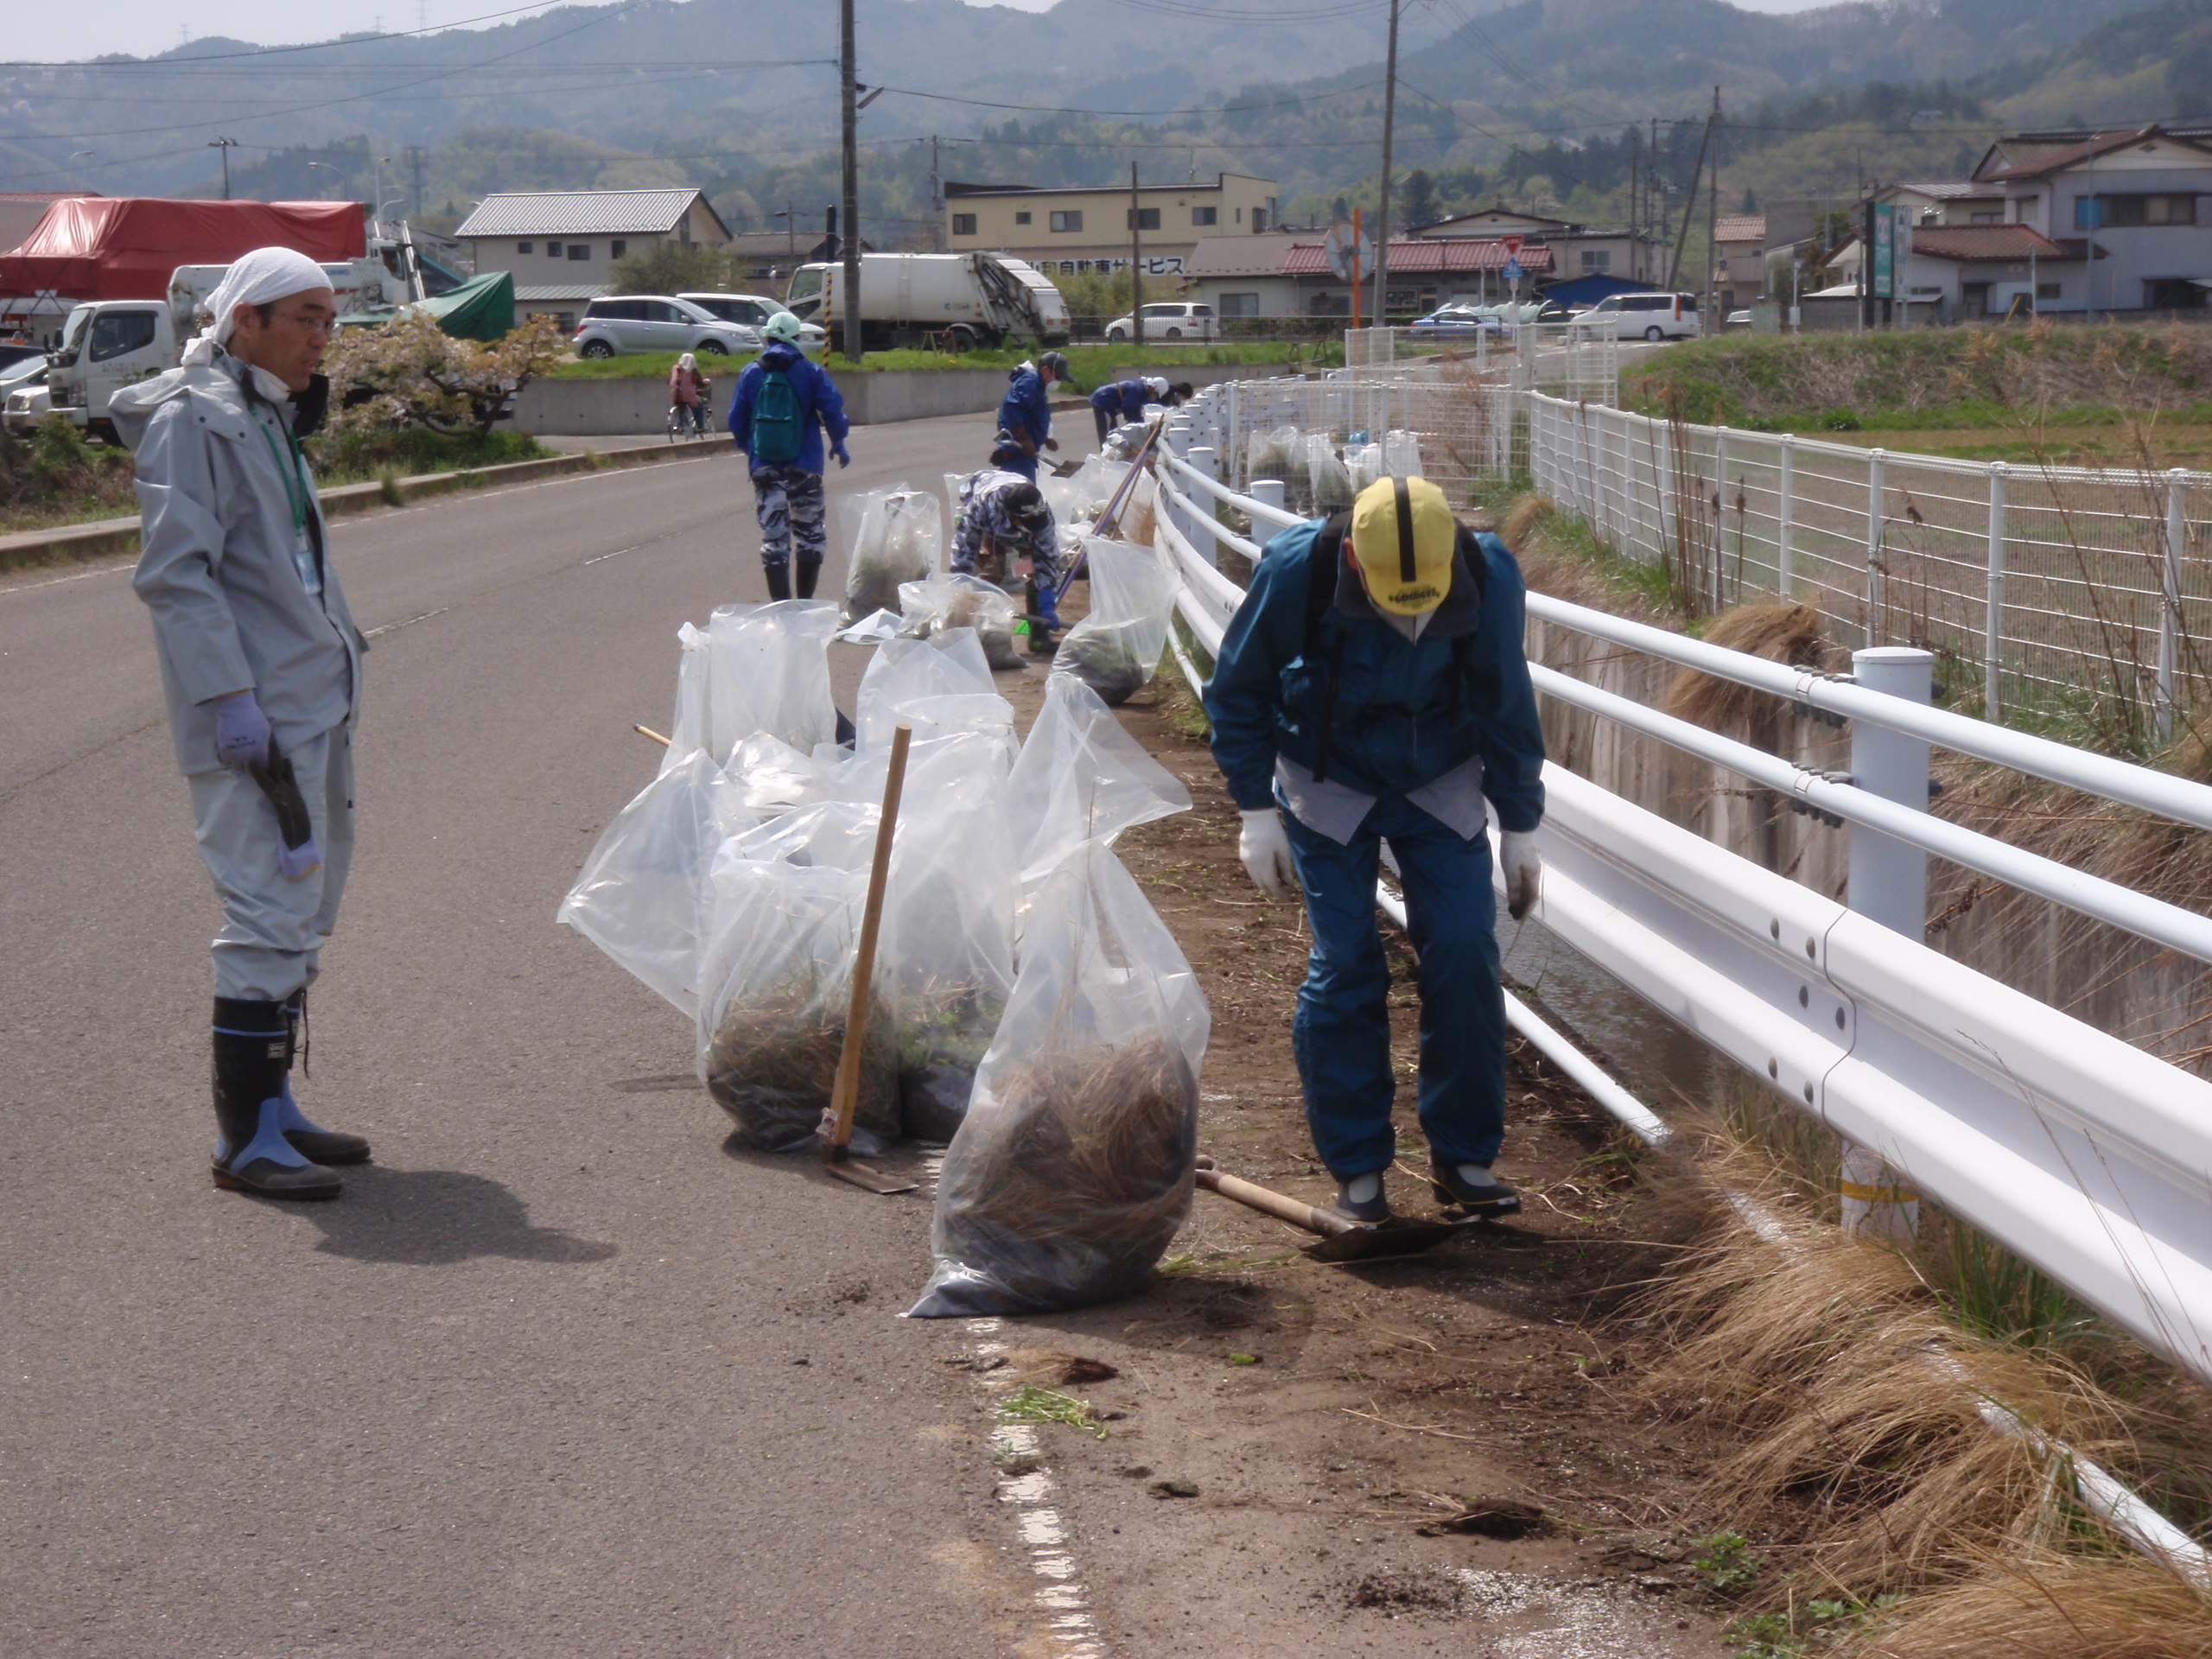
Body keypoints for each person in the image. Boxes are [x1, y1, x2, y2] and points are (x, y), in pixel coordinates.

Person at [1204, 474, 1546, 1224]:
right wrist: (1254, 806)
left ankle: (1463, 1160)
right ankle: (1358, 1171)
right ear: (1357, 560)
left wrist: (1520, 821)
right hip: (1328, 775)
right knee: (1347, 961)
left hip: (1439, 773)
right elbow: (1239, 688)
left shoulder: (1486, 571)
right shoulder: (1300, 568)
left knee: (1463, 950)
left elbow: (1503, 694)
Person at [112, 247, 372, 1200]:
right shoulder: (193, 420)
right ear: (246, 318)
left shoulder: (261, 413)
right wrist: (230, 700)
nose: (319, 338)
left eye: (328, 320)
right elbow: (177, 574)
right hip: (255, 715)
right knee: (263, 908)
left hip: (307, 702)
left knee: (298, 908)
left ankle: (277, 1112)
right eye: (303, 316)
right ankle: (244, 1140)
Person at [728, 310, 849, 601]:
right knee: (810, 533)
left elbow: (736, 419)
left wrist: (753, 449)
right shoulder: (810, 371)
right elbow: (832, 410)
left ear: (767, 337)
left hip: (765, 465)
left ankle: (781, 609)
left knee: (774, 537)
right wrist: (839, 442)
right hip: (805, 463)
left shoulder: (751, 372)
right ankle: (804, 605)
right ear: (797, 338)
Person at [951, 466, 1061, 645]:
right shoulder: (983, 507)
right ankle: (970, 630)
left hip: (1019, 534)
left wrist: (1048, 599)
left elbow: (1046, 556)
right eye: (1026, 522)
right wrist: (960, 578)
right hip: (990, 525)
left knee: (1033, 570)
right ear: (1011, 515)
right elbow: (965, 544)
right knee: (995, 569)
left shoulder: (1042, 515)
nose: (1031, 524)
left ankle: (1039, 637)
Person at [995, 348, 1070, 482]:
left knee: (1020, 492)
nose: (1058, 381)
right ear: (1046, 370)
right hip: (1019, 453)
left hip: (1024, 452)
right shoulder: (1029, 384)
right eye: (1057, 377)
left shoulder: (1038, 386)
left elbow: (1031, 415)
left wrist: (1045, 438)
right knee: (1021, 494)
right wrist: (1024, 439)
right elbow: (1011, 409)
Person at [668, 351, 709, 437]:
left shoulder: (676, 368)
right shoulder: (693, 371)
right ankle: (701, 427)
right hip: (689, 395)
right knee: (699, 406)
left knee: (681, 407)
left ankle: (679, 424)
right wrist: (706, 382)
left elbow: (670, 380)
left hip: (676, 394)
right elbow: (700, 383)